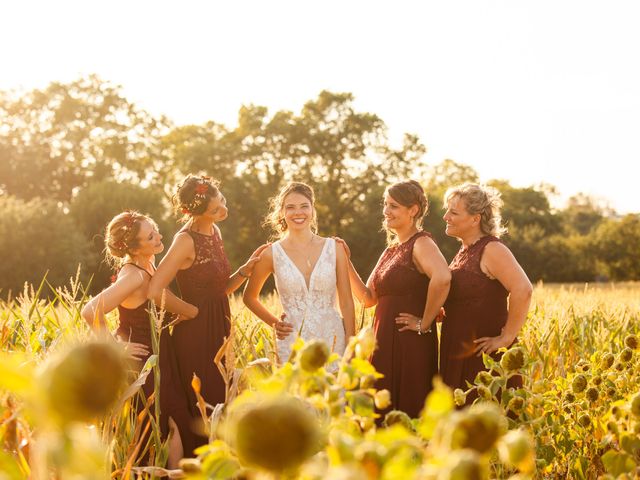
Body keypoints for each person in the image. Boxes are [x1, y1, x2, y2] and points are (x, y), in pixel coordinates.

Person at [147, 175, 266, 456]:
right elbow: (154, 289)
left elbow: (220, 290)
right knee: (205, 405)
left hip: (220, 328)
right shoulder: (184, 241)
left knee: (223, 401)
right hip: (196, 336)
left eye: (222, 201)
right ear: (196, 212)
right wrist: (189, 310)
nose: (223, 210)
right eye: (215, 209)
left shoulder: (215, 232)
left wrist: (243, 272)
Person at [81, 210, 198, 468]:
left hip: (162, 357)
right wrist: (114, 348)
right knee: (167, 422)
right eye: (150, 236)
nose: (158, 237)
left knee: (173, 421)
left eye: (155, 229)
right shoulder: (132, 275)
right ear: (134, 248)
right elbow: (90, 311)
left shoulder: (149, 265)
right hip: (143, 363)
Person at [337, 180, 450, 418]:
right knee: (379, 405)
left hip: (410, 341)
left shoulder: (422, 243)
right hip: (382, 339)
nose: (386, 211)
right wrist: (345, 261)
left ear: (413, 210)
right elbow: (368, 298)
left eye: (394, 206)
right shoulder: (390, 250)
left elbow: (442, 278)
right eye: (386, 205)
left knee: (409, 405)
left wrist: (424, 322)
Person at [243, 182, 355, 368]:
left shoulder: (335, 248)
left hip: (333, 340)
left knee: (334, 396)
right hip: (292, 343)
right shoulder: (271, 253)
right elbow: (249, 297)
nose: (298, 212)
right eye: (290, 207)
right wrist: (275, 323)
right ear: (282, 213)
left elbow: (346, 302)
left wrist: (351, 346)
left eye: (304, 206)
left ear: (312, 210)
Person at [440, 183, 532, 401]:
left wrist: (506, 337)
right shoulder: (464, 250)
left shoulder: (492, 249)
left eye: (453, 212)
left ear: (475, 218)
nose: (445, 217)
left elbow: (523, 289)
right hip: (458, 350)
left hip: (484, 359)